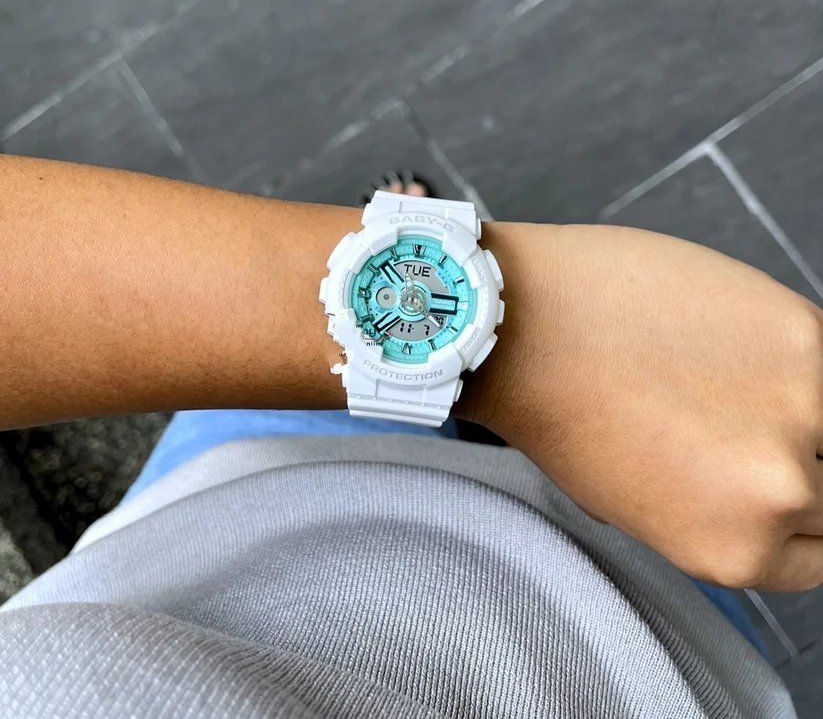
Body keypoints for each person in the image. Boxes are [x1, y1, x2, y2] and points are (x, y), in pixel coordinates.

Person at [0, 153, 820, 718]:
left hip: (200, 507)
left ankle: (411, 256)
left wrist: (539, 324)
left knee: (255, 420)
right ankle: (413, 260)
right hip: (631, 618)